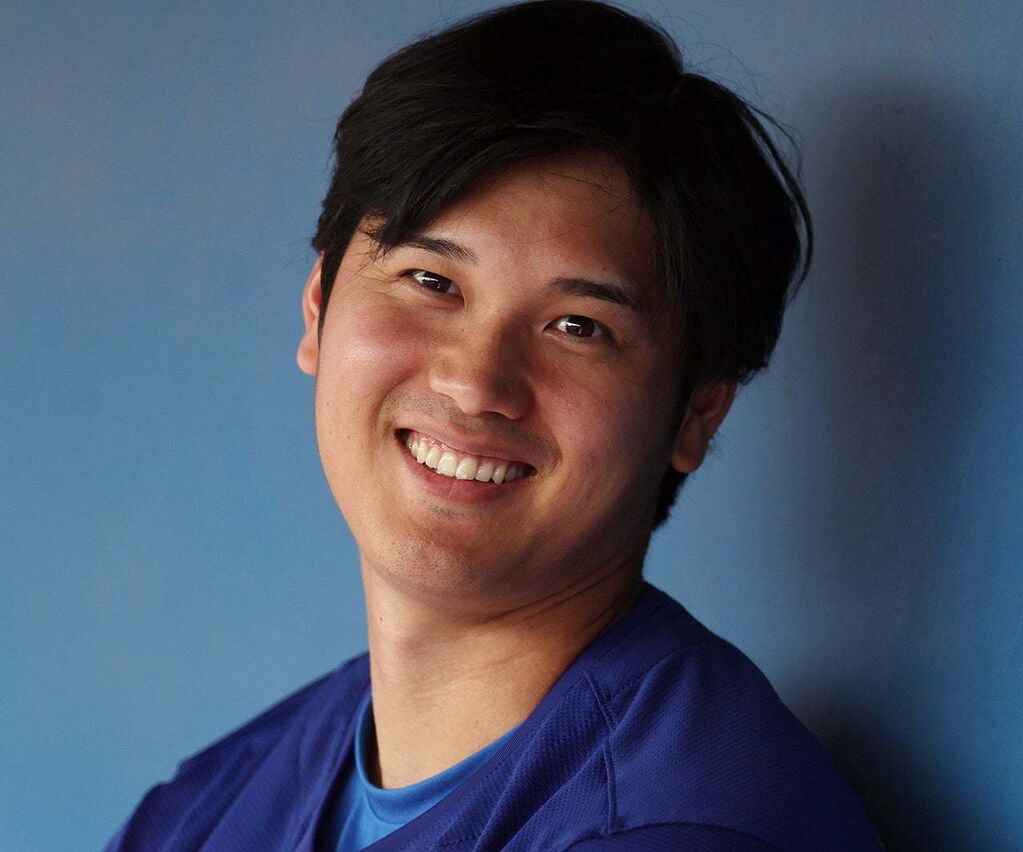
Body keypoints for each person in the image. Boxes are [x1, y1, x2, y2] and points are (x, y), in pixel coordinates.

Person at [105, 2, 881, 849]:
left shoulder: (679, 827)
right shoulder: (211, 807)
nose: (475, 384)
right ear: (319, 306)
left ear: (697, 410)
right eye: (432, 281)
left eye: (579, 327)